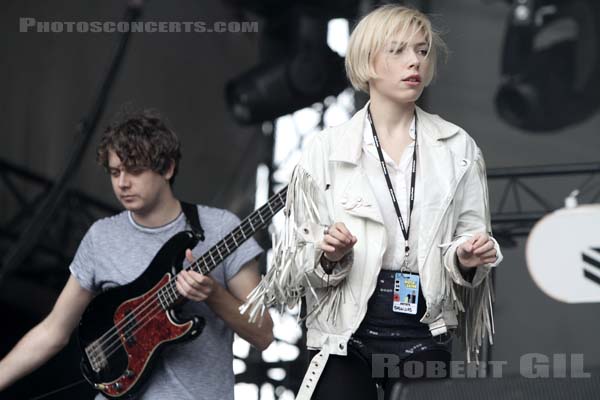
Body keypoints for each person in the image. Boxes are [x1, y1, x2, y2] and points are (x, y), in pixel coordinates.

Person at [242, 5, 503, 400]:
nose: (414, 60)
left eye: (421, 50)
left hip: (425, 324)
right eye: (398, 50)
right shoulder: (326, 149)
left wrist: (466, 259)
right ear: (367, 61)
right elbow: (296, 260)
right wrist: (330, 255)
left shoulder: (457, 146)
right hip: (346, 330)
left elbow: (470, 241)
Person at [0, 111, 274, 400]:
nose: (122, 183)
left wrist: (214, 294)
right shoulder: (101, 237)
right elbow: (53, 332)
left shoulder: (221, 228)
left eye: (134, 170)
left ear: (167, 168)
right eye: (115, 172)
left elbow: (263, 335)